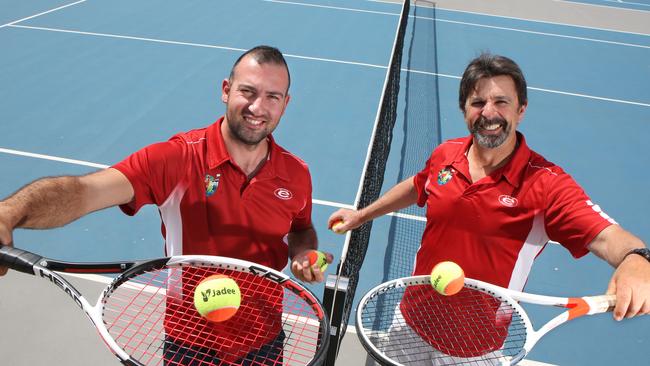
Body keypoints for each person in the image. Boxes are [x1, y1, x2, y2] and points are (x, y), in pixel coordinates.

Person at [0, 45, 332, 365]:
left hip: (264, 338)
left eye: (272, 97)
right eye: (248, 91)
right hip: (189, 343)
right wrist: (9, 213)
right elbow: (85, 192)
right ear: (226, 90)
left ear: (285, 104)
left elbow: (301, 228)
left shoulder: (296, 174)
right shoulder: (177, 159)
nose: (258, 108)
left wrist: (303, 253)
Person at [329, 53, 649, 362]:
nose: (489, 113)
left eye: (501, 102)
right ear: (465, 109)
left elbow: (607, 236)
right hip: (408, 323)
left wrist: (637, 259)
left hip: (474, 351)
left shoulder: (545, 183)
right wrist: (362, 215)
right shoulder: (446, 155)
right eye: (478, 103)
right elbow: (419, 184)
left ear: (521, 109)